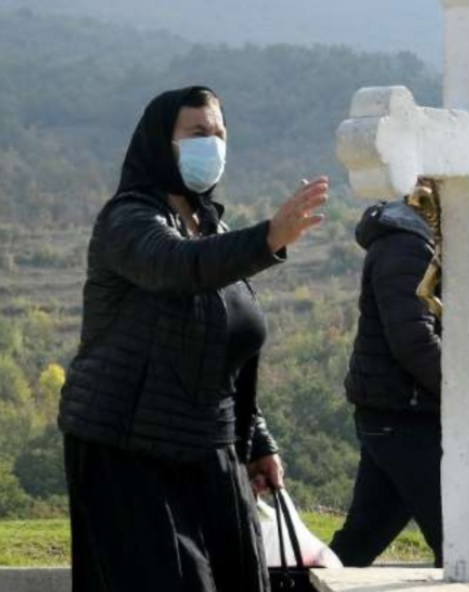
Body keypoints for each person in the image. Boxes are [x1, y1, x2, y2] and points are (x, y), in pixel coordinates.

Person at [58, 86, 328, 592]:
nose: (213, 144)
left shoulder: (209, 225)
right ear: (163, 142)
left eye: (219, 133)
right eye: (198, 133)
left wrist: (258, 441)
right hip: (128, 449)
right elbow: (176, 268)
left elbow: (225, 343)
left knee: (239, 579)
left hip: (209, 444)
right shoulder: (128, 220)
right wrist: (269, 237)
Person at [330, 178, 444, 567]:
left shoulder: (409, 243)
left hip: (393, 412)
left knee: (360, 541)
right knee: (459, 539)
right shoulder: (407, 247)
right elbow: (412, 340)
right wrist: (464, 392)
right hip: (405, 415)